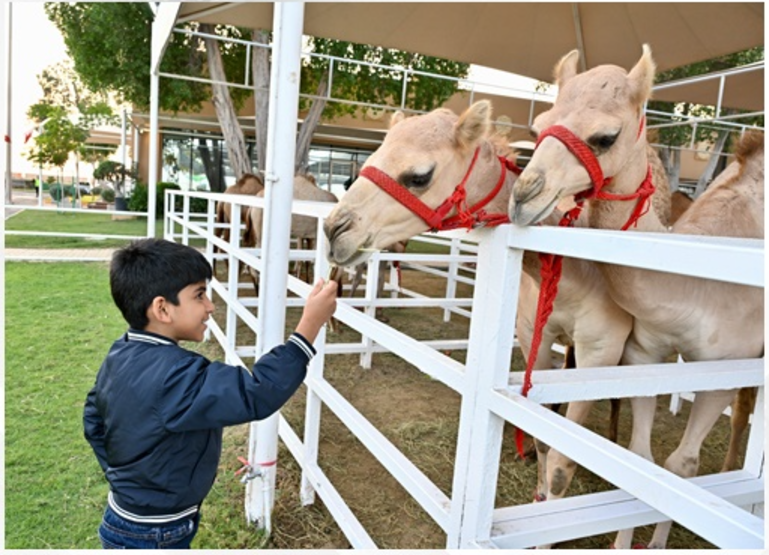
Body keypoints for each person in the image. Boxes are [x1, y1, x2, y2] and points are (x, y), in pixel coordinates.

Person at [83, 238, 337, 549]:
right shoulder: (177, 376)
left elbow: (93, 421)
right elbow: (257, 392)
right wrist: (308, 327)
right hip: (154, 533)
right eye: (199, 295)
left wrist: (126, 479)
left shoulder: (121, 352)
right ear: (162, 308)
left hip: (131, 518)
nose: (210, 306)